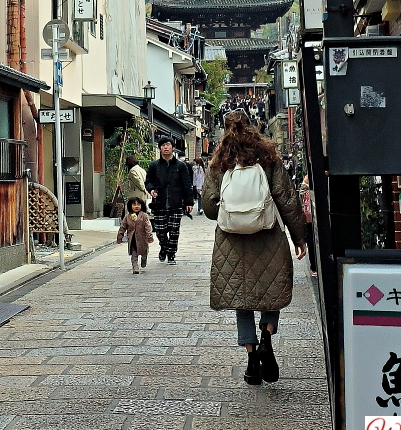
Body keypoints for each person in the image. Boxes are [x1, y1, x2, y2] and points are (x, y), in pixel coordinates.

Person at [202, 111, 306, 385]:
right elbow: (287, 198)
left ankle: (251, 360)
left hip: (232, 241)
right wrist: (299, 237)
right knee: (273, 289)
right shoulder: (268, 156)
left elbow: (210, 207)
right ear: (253, 127)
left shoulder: (220, 161)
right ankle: (267, 338)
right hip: (267, 234)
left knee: (242, 297)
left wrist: (232, 206)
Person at [145, 137, 195, 265]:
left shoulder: (181, 166)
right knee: (160, 231)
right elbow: (148, 181)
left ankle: (171, 254)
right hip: (159, 203)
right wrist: (151, 190)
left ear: (173, 148)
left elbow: (187, 184)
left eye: (168, 145)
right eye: (162, 145)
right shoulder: (154, 165)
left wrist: (189, 202)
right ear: (160, 148)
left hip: (176, 203)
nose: (165, 147)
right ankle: (163, 247)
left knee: (174, 231)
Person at [117, 196, 154, 274]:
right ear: (130, 206)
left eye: (138, 204)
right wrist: (120, 236)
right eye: (134, 204)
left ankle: (144, 259)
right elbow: (123, 227)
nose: (136, 206)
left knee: (144, 251)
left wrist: (149, 236)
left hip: (142, 239)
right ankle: (135, 267)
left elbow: (148, 226)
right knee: (134, 254)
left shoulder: (144, 215)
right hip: (132, 239)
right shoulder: (127, 216)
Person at [299, 175, 317, 277]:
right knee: (311, 241)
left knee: (311, 241)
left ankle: (314, 267)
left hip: (307, 218)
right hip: (310, 217)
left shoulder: (303, 187)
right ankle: (314, 267)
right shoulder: (306, 187)